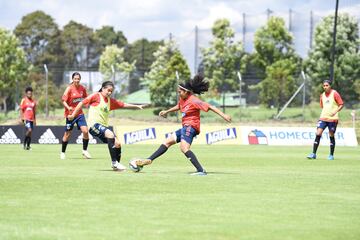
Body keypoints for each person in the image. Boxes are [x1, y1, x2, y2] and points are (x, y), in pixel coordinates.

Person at [130, 74, 231, 175]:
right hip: (185, 127)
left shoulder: (194, 100)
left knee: (184, 148)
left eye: (180, 92)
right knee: (168, 141)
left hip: (191, 127)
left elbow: (210, 106)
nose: (178, 94)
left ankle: (201, 170)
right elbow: (179, 106)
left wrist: (224, 115)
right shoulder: (183, 99)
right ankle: (149, 160)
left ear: (186, 92)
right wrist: (167, 111)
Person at [68, 81, 144, 171]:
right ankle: (114, 163)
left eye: (111, 91)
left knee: (118, 144)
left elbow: (123, 104)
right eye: (108, 90)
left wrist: (136, 106)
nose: (110, 92)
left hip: (103, 126)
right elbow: (81, 103)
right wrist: (73, 115)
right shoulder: (96, 96)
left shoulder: (110, 101)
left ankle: (116, 166)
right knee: (110, 134)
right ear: (103, 88)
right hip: (94, 125)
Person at [307, 80, 344, 160]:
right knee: (318, 133)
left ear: (330, 86)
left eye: (327, 85)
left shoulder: (335, 93)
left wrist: (335, 111)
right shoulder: (322, 95)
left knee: (331, 135)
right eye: (324, 86)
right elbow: (322, 106)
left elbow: (341, 104)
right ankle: (313, 153)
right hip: (323, 118)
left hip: (333, 119)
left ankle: (331, 155)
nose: (325, 87)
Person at [60, 72, 91, 160]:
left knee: (85, 131)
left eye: (78, 79)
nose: (77, 80)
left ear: (80, 79)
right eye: (75, 79)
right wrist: (68, 107)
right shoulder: (69, 88)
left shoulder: (82, 88)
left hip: (80, 114)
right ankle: (62, 152)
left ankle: (85, 150)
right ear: (72, 79)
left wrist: (88, 103)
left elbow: (86, 98)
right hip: (70, 115)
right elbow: (63, 100)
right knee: (67, 134)